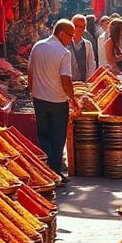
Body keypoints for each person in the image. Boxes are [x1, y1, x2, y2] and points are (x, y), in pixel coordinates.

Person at [28, 19, 76, 183]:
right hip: (57, 101)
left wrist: (32, 92)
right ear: (61, 33)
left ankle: (44, 172)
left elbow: (30, 72)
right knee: (57, 138)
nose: (71, 39)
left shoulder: (38, 46)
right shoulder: (63, 53)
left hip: (39, 100)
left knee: (43, 136)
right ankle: (54, 172)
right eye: (70, 35)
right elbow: (65, 80)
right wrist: (73, 98)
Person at [68, 14, 97, 82]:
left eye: (81, 27)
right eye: (76, 26)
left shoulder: (88, 44)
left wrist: (89, 79)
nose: (78, 28)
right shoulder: (65, 43)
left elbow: (91, 62)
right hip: (68, 81)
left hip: (83, 82)